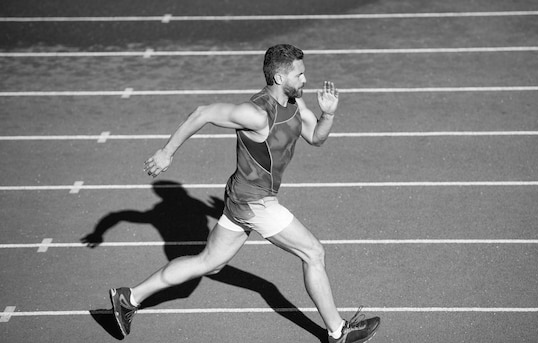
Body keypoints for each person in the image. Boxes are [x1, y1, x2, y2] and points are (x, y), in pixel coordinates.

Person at [109, 44, 380, 343]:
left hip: (241, 197)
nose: (305, 80)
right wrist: (167, 151)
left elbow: (316, 138)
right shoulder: (256, 114)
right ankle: (337, 332)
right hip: (255, 202)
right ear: (279, 78)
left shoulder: (295, 103)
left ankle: (129, 298)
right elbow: (204, 113)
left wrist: (327, 115)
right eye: (299, 74)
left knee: (209, 263)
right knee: (313, 253)